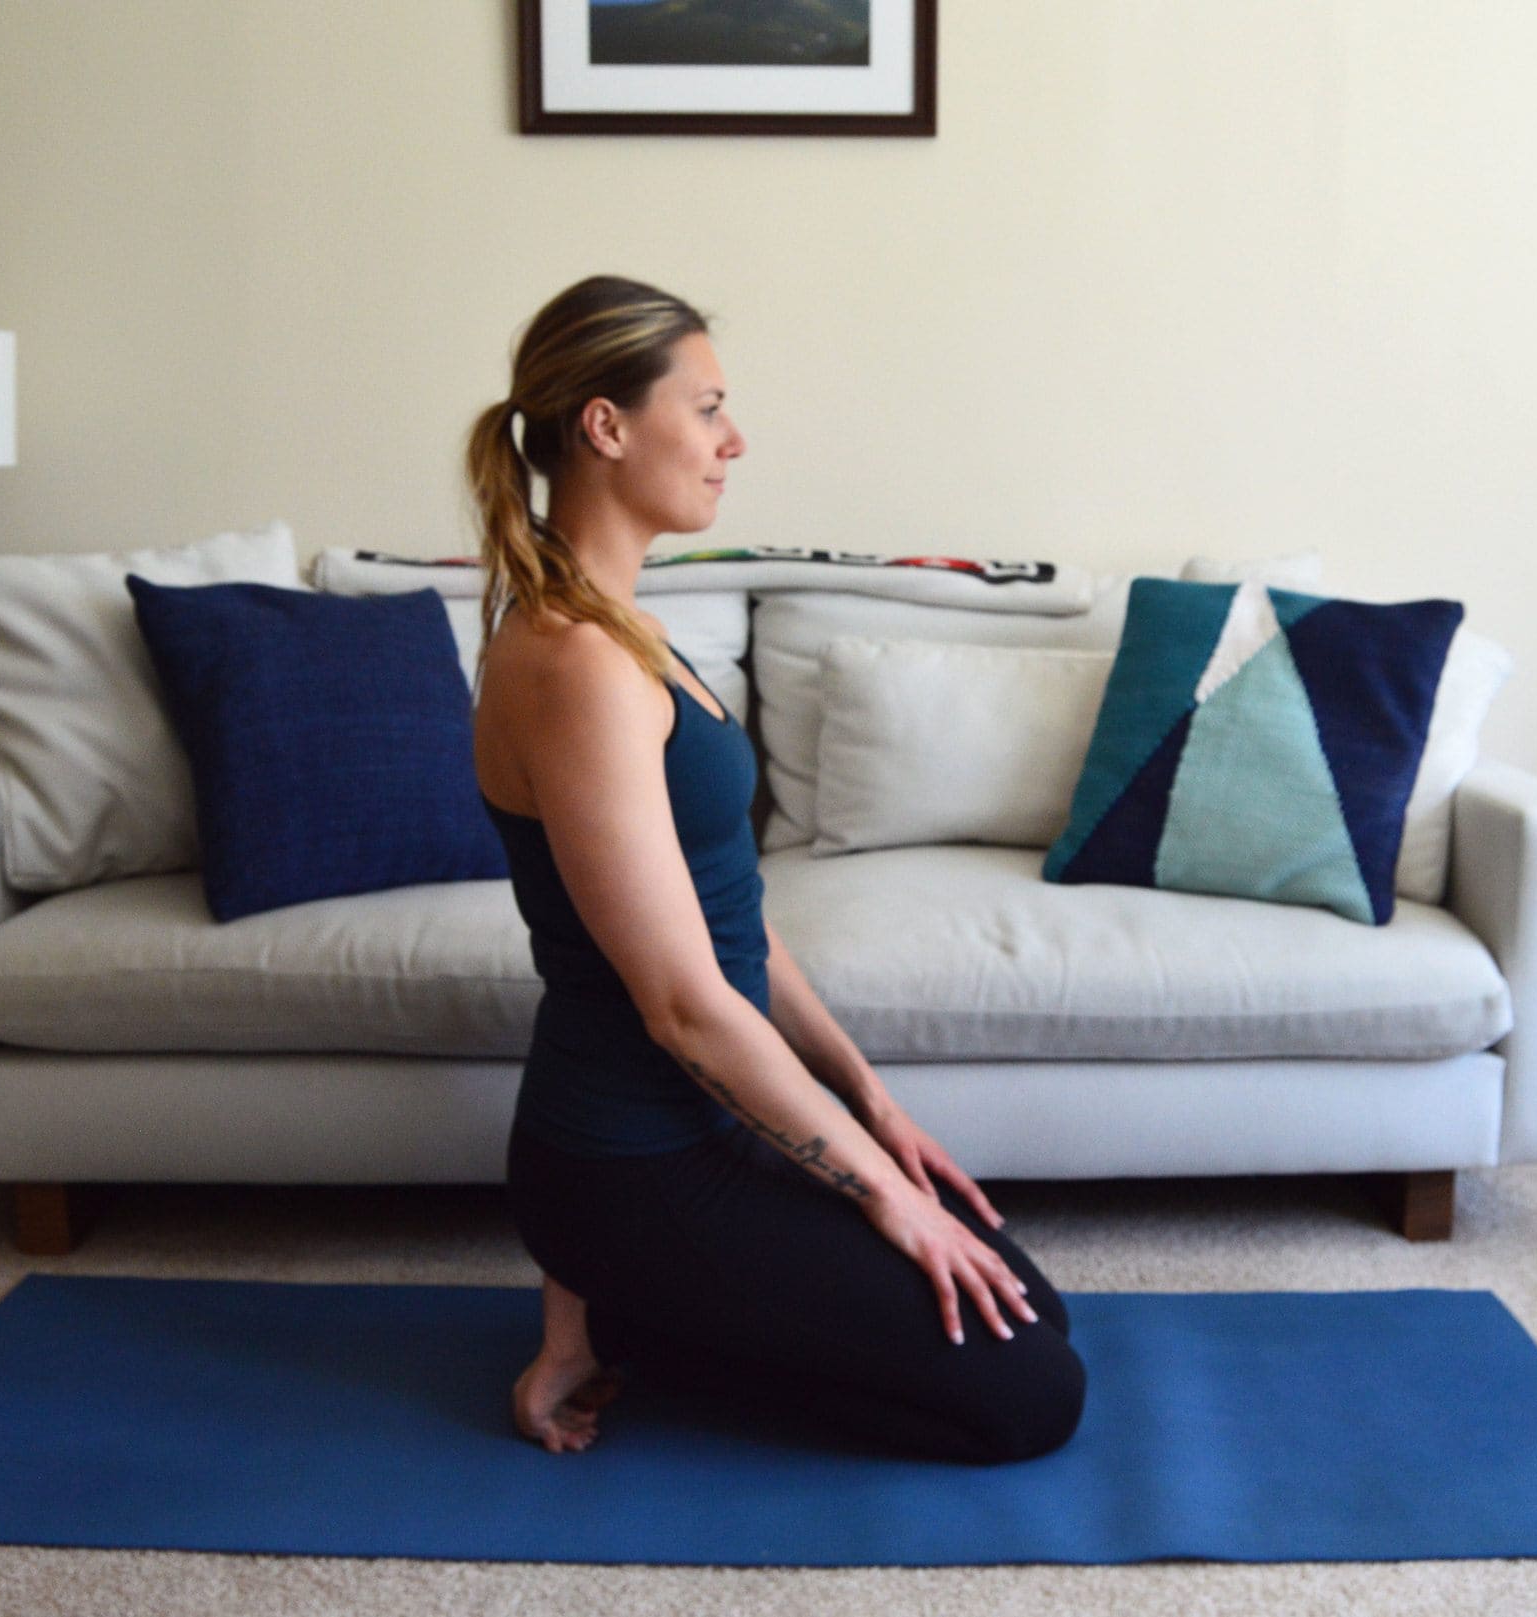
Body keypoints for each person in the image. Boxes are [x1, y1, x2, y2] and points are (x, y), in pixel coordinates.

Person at [464, 274, 1086, 1464]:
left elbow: (733, 920)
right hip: (626, 1163)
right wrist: (878, 1195)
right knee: (1028, 1400)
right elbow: (683, 1005)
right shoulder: (570, 662)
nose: (730, 441)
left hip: (710, 1127)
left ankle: (626, 1309)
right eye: (704, 409)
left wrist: (871, 1101)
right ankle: (622, 1323)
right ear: (605, 427)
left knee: (1030, 1319)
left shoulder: (625, 634)